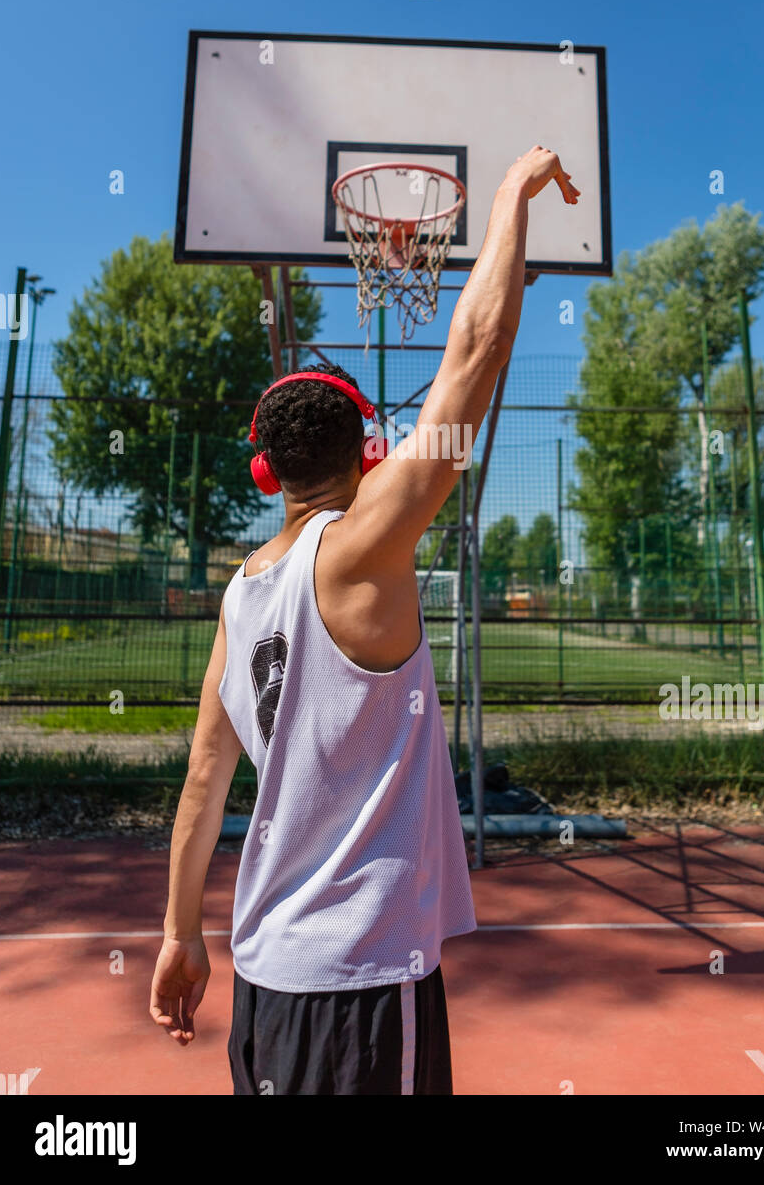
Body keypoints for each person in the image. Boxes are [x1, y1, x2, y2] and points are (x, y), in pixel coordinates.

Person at [149, 145, 579, 1094]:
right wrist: (510, 193)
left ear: (265, 471)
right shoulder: (357, 552)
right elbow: (471, 358)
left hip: (263, 980)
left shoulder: (239, 593)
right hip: (364, 984)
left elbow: (200, 786)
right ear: (370, 457)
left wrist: (181, 936)